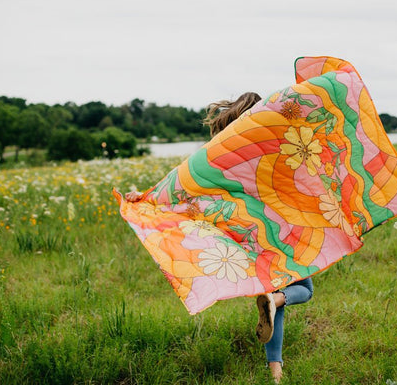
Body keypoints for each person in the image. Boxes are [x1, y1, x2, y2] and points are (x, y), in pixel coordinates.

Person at [125, 92, 314, 383]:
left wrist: (147, 197)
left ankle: (276, 370)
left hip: (250, 232)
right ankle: (275, 309)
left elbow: (183, 178)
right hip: (283, 229)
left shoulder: (219, 153)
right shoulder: (275, 143)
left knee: (275, 291)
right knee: (304, 289)